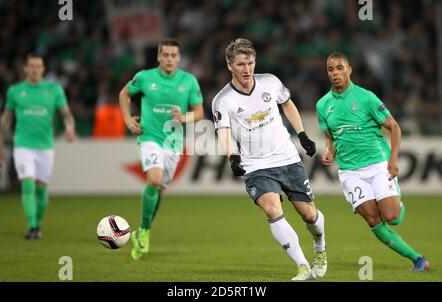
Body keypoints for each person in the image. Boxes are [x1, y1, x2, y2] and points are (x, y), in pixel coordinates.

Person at [212, 38, 327, 281]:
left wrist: (303, 134)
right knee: (272, 209)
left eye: (251, 63)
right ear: (229, 65)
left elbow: (288, 105)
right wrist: (232, 156)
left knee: (309, 215)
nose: (247, 69)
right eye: (241, 64)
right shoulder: (223, 100)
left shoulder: (270, 82)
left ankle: (320, 249)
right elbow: (223, 131)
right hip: (256, 166)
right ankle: (303, 267)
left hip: (287, 158)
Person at [316, 52, 430, 272]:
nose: (335, 73)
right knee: (372, 219)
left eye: (339, 68)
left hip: (377, 164)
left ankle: (395, 201)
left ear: (349, 70)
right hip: (350, 172)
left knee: (392, 217)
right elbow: (330, 135)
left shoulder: (366, 97)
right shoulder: (323, 105)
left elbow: (394, 127)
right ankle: (418, 259)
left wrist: (393, 160)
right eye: (330, 69)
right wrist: (329, 151)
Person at [119, 39, 204, 260]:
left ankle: (142, 230)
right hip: (149, 137)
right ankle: (145, 232)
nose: (169, 59)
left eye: (173, 55)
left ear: (179, 58)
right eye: (165, 55)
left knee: (160, 193)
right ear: (158, 56)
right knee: (154, 181)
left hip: (173, 143)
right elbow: (124, 94)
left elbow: (199, 112)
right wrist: (128, 120)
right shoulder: (145, 77)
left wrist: (184, 117)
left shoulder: (189, 81)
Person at [0, 53, 76, 239]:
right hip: (22, 145)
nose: (34, 70)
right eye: (31, 66)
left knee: (41, 189)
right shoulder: (15, 91)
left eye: (38, 66)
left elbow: (66, 114)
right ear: (25, 69)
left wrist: (70, 128)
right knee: (28, 184)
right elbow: (6, 118)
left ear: (43, 69)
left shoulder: (54, 90)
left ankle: (37, 224)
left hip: (45, 146)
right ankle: (32, 227)